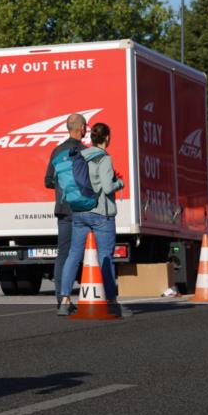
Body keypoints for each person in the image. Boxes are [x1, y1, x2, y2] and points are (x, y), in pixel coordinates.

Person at [58, 123, 128, 317]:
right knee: (105, 255)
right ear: (106, 137)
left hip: (79, 212)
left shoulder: (82, 155)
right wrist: (119, 182)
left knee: (74, 255)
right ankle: (112, 303)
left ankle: (64, 301)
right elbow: (107, 187)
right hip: (101, 215)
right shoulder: (104, 158)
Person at [44, 113, 87, 307]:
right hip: (82, 209)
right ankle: (95, 295)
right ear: (82, 129)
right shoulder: (86, 151)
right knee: (84, 253)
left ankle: (62, 298)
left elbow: (48, 181)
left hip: (63, 209)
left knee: (63, 254)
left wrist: (63, 187)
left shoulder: (57, 151)